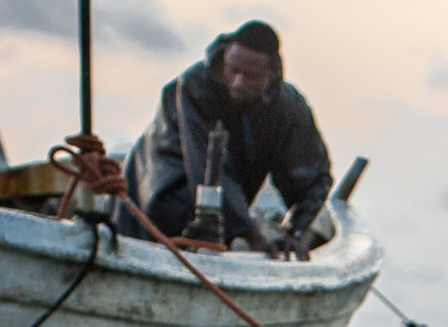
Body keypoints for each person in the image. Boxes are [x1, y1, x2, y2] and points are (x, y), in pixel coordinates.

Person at [121, 21, 330, 259]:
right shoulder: (194, 86)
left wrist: (296, 232)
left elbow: (313, 176)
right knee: (166, 217)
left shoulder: (289, 107)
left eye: (249, 76)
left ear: (272, 73)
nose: (238, 82)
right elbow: (205, 166)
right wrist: (253, 236)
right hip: (158, 193)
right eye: (233, 70)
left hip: (225, 213)